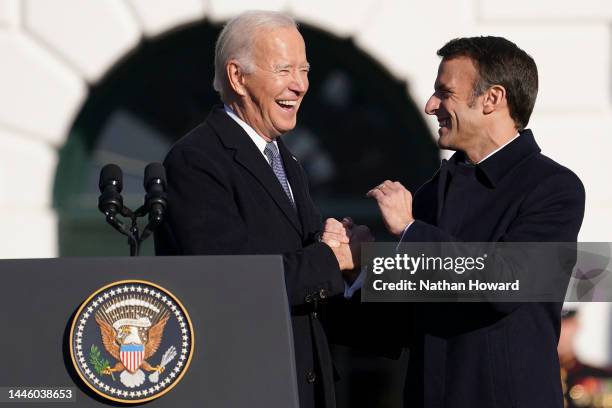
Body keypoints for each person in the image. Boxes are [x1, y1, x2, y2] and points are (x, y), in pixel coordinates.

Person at [324, 36, 585, 407]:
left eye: (444, 93)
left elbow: (503, 285)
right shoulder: (433, 194)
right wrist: (357, 269)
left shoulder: (553, 188)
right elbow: (399, 326)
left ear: (492, 98)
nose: (431, 106)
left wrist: (410, 231)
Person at [154, 11, 366, 408]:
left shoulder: (287, 163)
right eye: (285, 69)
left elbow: (300, 278)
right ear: (237, 77)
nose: (300, 85)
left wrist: (349, 262)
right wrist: (328, 258)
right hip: (242, 388)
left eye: (304, 70)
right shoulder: (196, 160)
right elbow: (227, 279)